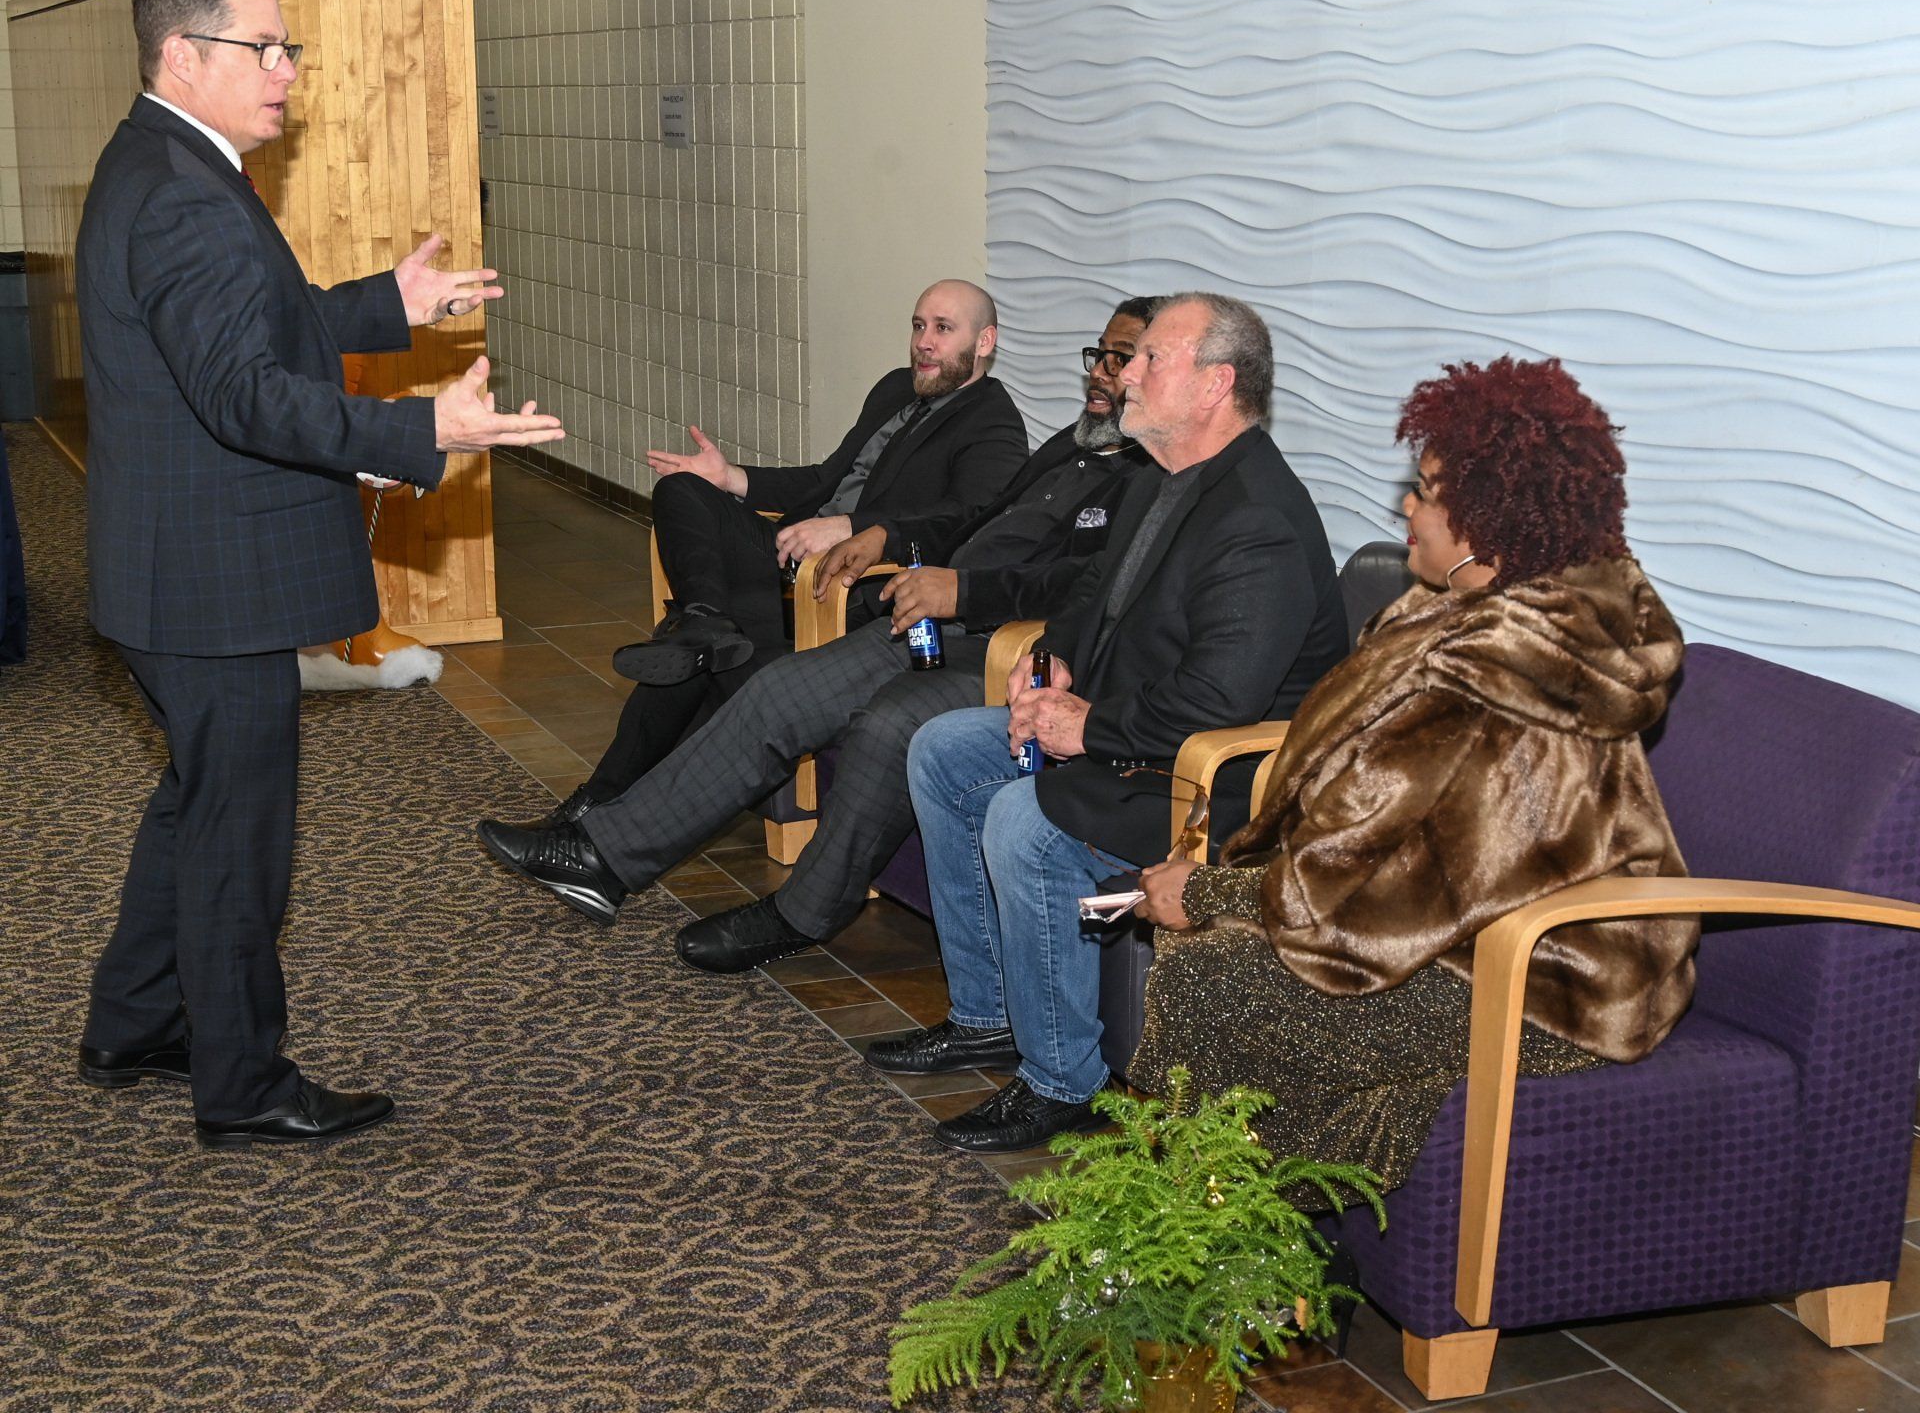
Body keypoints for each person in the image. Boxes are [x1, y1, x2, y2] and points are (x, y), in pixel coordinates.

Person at [74, 0, 564, 1149]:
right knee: (241, 834)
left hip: (172, 567)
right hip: (208, 582)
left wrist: (379, 308)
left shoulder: (167, 159)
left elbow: (250, 325)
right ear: (184, 55)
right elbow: (243, 393)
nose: (289, 70)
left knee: (199, 802)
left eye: (291, 46)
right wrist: (418, 425)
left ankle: (136, 1024)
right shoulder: (187, 188)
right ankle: (241, 1087)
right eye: (266, 47)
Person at [1124, 356, 1697, 1195]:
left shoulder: (1501, 676)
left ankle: (1218, 1241)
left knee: (1216, 979)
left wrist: (1205, 892)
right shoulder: (1479, 614)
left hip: (1551, 984)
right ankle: (1246, 1231)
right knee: (1220, 967)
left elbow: (1369, 895)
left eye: (1427, 491)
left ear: (1487, 520)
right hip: (1469, 932)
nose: (1407, 506)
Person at [475, 302, 1161, 956]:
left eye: (1122, 359)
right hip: (928, 615)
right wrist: (884, 532)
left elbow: (1084, 585)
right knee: (775, 689)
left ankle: (800, 913)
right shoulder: (1067, 453)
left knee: (884, 723)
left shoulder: (1145, 479)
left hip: (1000, 646)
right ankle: (602, 857)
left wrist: (957, 584)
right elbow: (967, 521)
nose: (1105, 373)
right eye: (1099, 355)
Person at [873, 293, 1351, 1153]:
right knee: (945, 750)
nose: (1123, 371)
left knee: (1025, 820)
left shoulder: (1259, 520)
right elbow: (1094, 600)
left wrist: (1084, 728)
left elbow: (1218, 704)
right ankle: (985, 1017)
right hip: (1135, 742)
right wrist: (1048, 663)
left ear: (1215, 386)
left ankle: (1063, 1083)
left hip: (1217, 783)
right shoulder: (1156, 478)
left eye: (1149, 359)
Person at [616, 279, 1028, 687]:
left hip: (845, 577)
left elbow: (969, 515)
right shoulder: (895, 388)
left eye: (943, 328)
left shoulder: (993, 420)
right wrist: (731, 478)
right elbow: (825, 478)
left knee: (693, 671)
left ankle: (708, 632)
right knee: (681, 488)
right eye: (918, 325)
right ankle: (707, 621)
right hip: (789, 548)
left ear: (984, 341)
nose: (923, 341)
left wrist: (850, 526)